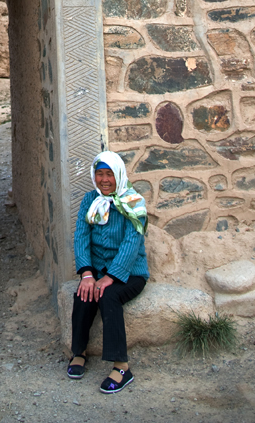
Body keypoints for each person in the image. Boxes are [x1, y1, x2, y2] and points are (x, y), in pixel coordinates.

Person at [68, 150, 148, 394]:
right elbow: (81, 236)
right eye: (100, 174)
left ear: (119, 175)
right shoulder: (89, 200)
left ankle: (122, 367)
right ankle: (78, 352)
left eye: (109, 174)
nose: (104, 179)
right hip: (98, 269)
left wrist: (111, 277)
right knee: (84, 292)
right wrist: (87, 274)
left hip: (130, 272)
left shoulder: (134, 202)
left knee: (108, 295)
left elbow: (131, 244)